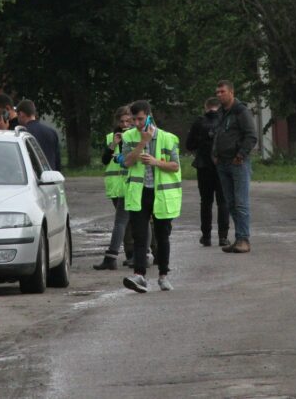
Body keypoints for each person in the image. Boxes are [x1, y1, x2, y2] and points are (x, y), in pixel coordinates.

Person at [120, 100, 181, 293]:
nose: (137, 123)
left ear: (148, 116)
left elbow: (175, 166)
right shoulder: (129, 136)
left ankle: (163, 276)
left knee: (162, 236)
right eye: (134, 119)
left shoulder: (168, 138)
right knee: (140, 235)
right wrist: (143, 143)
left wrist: (155, 162)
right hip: (139, 192)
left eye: (140, 119)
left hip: (161, 193)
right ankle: (139, 276)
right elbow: (127, 162)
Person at [212, 80, 257, 254]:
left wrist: (241, 155)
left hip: (237, 163)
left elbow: (251, 136)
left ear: (231, 92)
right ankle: (239, 238)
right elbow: (217, 134)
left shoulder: (241, 111)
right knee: (230, 202)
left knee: (241, 202)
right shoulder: (221, 113)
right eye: (217, 92)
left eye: (222, 91)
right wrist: (214, 153)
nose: (219, 95)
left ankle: (244, 239)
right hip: (222, 163)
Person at [93, 106, 133, 270]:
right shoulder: (112, 136)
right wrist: (113, 144)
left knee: (124, 222)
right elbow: (104, 160)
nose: (124, 124)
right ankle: (134, 255)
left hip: (131, 185)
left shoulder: (136, 136)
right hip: (115, 187)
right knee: (127, 222)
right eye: (121, 121)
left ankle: (113, 256)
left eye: (128, 121)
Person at [186, 97, 229, 247]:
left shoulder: (199, 122)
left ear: (206, 107)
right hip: (222, 166)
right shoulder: (225, 120)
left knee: (206, 202)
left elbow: (189, 144)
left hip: (203, 166)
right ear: (218, 107)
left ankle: (206, 236)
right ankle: (223, 237)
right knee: (223, 202)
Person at [16, 100, 61, 170]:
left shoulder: (21, 133)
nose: (17, 119)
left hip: (32, 176)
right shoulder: (51, 132)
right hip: (51, 176)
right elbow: (57, 160)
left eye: (17, 115)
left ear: (21, 114)